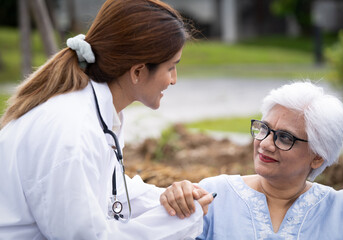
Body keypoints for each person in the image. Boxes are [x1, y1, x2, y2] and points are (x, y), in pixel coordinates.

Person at [0, 0, 214, 239]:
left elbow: (109, 190)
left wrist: (173, 198)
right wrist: (184, 219)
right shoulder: (73, 131)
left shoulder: (93, 112)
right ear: (138, 71)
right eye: (171, 67)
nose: (174, 80)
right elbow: (87, 236)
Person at [161, 81, 343, 239]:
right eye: (264, 128)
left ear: (317, 157)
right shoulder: (213, 196)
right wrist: (172, 203)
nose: (265, 143)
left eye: (284, 137)